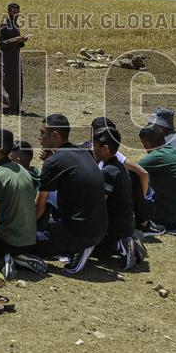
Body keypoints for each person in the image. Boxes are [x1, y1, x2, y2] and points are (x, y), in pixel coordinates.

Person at [34, 114, 108, 274]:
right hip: (100, 227)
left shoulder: (53, 162)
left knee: (29, 244)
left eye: (42, 133)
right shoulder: (83, 152)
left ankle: (78, 248)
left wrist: (23, 232)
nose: (39, 138)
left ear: (55, 135)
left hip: (80, 233)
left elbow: (38, 208)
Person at [0, 128, 45, 278]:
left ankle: (3, 260)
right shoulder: (22, 169)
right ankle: (19, 257)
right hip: (30, 240)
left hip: (10, 241)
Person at [84, 117, 156, 236]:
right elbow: (143, 173)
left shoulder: (107, 157)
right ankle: (142, 221)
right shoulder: (108, 155)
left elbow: (143, 173)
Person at [90, 127, 143, 270]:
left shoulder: (107, 172)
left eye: (95, 145)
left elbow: (100, 203)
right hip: (127, 223)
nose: (92, 149)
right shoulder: (119, 166)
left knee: (88, 246)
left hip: (114, 228)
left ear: (105, 149)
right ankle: (129, 241)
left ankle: (121, 245)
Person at [138, 124, 176, 229]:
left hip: (168, 218)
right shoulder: (172, 150)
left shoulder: (157, 156)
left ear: (147, 143)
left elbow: (134, 170)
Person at [0, 2, 30, 115]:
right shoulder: (4, 25)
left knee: (16, 82)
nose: (17, 14)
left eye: (18, 12)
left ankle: (14, 107)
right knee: (6, 82)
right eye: (14, 12)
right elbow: (1, 43)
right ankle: (5, 108)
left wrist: (21, 40)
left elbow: (15, 41)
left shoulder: (15, 25)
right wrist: (17, 40)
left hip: (15, 57)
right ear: (8, 12)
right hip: (5, 59)